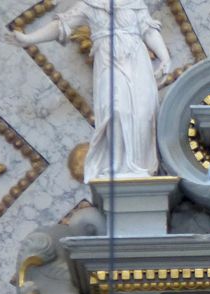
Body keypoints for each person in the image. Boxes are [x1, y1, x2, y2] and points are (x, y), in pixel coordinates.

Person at [14, 0, 171, 183]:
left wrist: (165, 58)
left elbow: (148, 30)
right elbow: (60, 25)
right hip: (109, 64)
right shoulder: (90, 4)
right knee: (116, 110)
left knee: (142, 114)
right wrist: (29, 39)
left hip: (136, 61)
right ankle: (118, 166)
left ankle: (139, 166)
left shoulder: (134, 2)